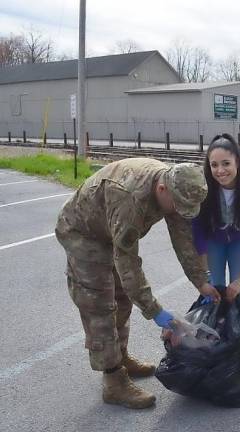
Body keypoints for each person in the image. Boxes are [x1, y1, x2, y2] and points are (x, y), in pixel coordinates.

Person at [55, 158, 220, 409]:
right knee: (99, 304)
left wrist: (202, 281)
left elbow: (183, 238)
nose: (178, 211)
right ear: (162, 189)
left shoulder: (175, 189)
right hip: (84, 233)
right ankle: (113, 380)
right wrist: (156, 312)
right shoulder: (129, 198)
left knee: (122, 299)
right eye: (177, 206)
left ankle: (120, 356)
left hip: (110, 230)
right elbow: (128, 264)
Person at [192, 133, 240, 314]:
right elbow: (198, 229)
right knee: (213, 292)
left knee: (238, 294)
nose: (220, 171)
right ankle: (213, 336)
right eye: (214, 165)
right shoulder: (203, 185)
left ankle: (236, 338)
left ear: (237, 161)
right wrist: (205, 274)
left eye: (226, 163)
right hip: (213, 240)